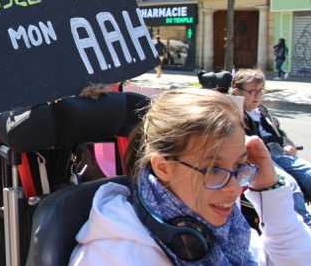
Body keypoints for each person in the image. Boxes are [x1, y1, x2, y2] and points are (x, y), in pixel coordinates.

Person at [69, 89, 311, 265]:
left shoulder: (229, 229)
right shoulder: (112, 257)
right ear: (163, 167)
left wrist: (269, 189)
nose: (235, 188)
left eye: (239, 165)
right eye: (213, 169)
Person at [231, 68, 311, 226]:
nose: (258, 95)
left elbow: (279, 132)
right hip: (259, 158)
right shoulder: (235, 113)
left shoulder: (262, 110)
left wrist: (288, 145)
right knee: (288, 186)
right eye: (253, 91)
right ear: (237, 91)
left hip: (279, 153)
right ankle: (305, 226)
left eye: (261, 91)